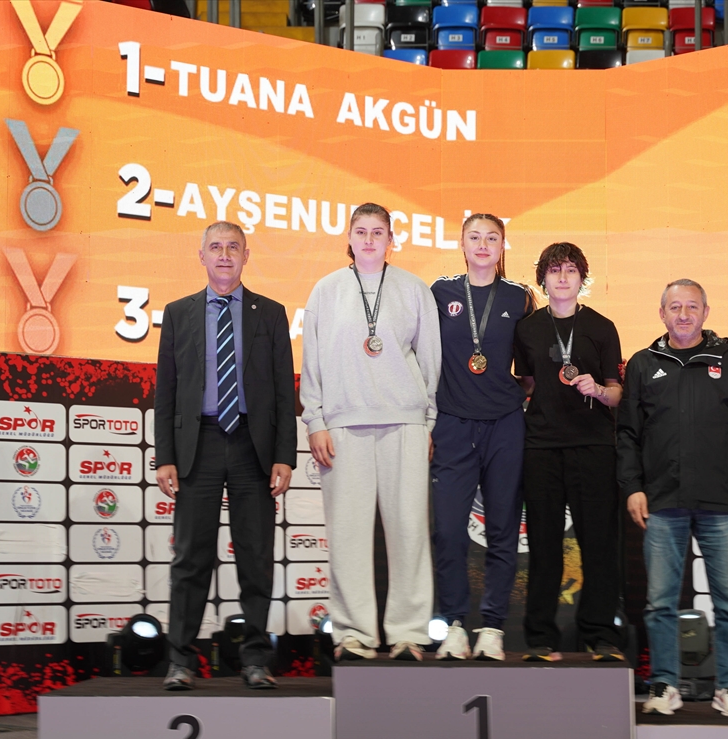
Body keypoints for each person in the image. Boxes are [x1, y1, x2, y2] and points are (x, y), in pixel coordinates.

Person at [617, 279, 728, 716]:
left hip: (720, 500)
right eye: (675, 307)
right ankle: (665, 685)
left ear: (705, 312)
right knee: (660, 604)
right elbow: (627, 433)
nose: (683, 315)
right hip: (662, 500)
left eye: (691, 307)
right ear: (661, 314)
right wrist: (633, 487)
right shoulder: (643, 364)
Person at [154, 221, 297, 691]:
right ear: (201, 256)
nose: (224, 255)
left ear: (246, 256)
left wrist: (284, 455)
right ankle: (181, 661)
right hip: (198, 445)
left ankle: (255, 659)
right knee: (190, 559)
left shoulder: (270, 313)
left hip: (253, 447)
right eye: (215, 247)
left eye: (233, 247)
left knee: (255, 558)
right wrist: (165, 456)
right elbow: (166, 391)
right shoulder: (178, 313)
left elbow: (283, 390)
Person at [300, 203, 442, 662]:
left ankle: (409, 632)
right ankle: (353, 633)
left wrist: (428, 421)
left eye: (377, 232)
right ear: (349, 237)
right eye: (360, 231)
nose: (368, 240)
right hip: (343, 425)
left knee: (409, 531)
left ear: (391, 240)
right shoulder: (326, 290)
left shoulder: (414, 289)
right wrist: (315, 420)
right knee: (348, 535)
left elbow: (431, 361)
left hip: (405, 422)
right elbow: (312, 362)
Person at [513, 243, 627, 663]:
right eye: (555, 270)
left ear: (582, 278)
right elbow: (526, 383)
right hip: (541, 447)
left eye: (571, 270)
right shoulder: (527, 329)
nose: (562, 278)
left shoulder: (602, 327)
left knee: (598, 544)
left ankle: (600, 636)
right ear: (542, 278)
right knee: (543, 545)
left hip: (593, 445)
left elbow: (617, 392)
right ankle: (541, 638)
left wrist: (598, 389)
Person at [430, 214, 534, 661]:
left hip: (504, 424)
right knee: (448, 530)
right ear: (462, 244)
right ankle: (454, 624)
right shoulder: (440, 292)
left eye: (492, 237)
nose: (483, 244)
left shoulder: (518, 296)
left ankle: (492, 627)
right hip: (453, 423)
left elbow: (529, 368)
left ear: (503, 245)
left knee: (503, 528)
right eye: (474, 237)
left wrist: (517, 398)